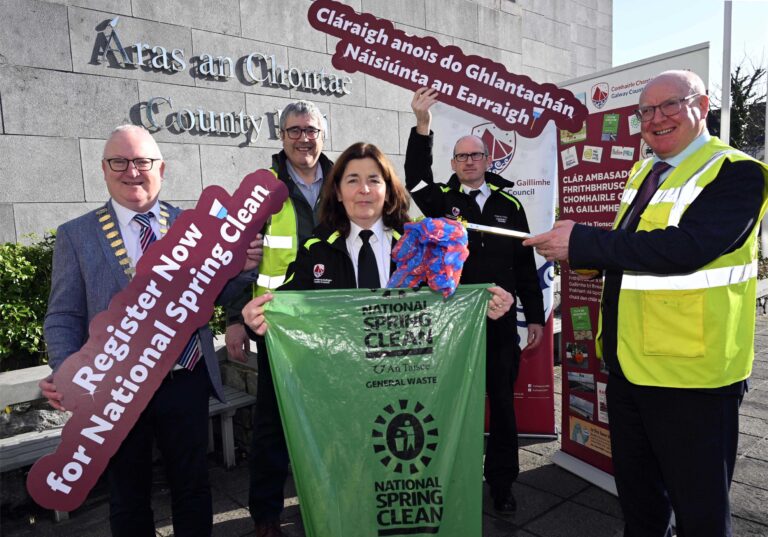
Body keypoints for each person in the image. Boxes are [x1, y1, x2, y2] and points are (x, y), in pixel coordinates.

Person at [524, 70, 768, 537]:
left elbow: (687, 249)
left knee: (700, 513)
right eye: (645, 111)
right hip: (629, 366)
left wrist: (586, 243)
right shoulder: (644, 171)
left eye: (670, 105)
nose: (656, 119)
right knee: (640, 505)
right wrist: (585, 259)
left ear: (703, 105)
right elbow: (634, 249)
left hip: (693, 377)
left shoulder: (737, 172)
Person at [39, 125, 263, 537]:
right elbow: (63, 314)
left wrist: (245, 268)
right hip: (114, 391)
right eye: (119, 162)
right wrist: (66, 371)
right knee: (127, 495)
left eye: (142, 161)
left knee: (193, 486)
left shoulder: (195, 226)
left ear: (161, 168)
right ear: (103, 170)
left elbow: (217, 294)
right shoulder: (77, 234)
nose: (132, 171)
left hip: (185, 379)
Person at [404, 88, 545, 513]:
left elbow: (525, 265)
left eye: (476, 155)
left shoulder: (509, 204)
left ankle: (502, 483)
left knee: (501, 404)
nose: (468, 162)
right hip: (452, 322)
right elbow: (414, 176)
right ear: (453, 164)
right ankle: (451, 478)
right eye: (461, 156)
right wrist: (422, 126)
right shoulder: (440, 201)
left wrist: (535, 317)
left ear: (488, 160)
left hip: (499, 323)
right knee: (451, 404)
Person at [241, 140, 514, 332]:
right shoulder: (316, 250)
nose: (364, 190)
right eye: (353, 180)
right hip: (343, 383)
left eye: (374, 180)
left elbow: (452, 304)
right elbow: (284, 310)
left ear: (388, 190)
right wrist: (257, 322)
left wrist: (487, 305)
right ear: (337, 192)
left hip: (408, 380)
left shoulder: (421, 245)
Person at [222, 100, 334, 537]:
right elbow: (237, 257)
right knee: (274, 421)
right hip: (277, 324)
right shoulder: (262, 186)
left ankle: (326, 501)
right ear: (282, 136)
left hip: (333, 322)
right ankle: (266, 515)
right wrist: (235, 317)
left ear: (322, 134)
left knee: (331, 416)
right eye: (294, 131)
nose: (303, 138)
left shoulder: (343, 180)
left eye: (311, 130)